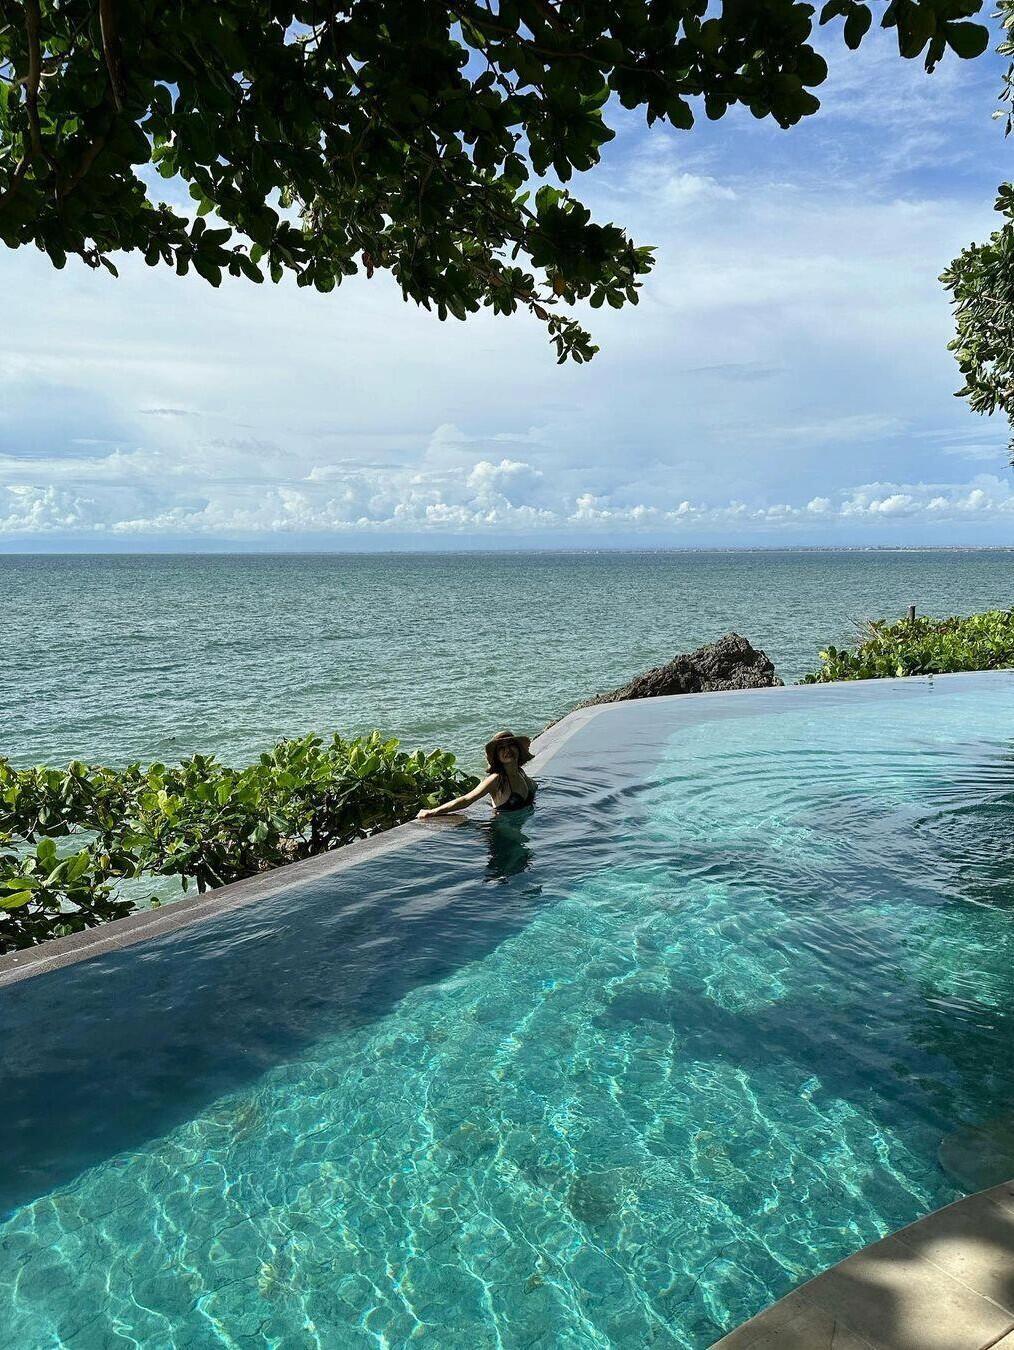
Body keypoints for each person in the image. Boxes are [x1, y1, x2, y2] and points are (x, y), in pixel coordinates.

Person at [416, 730, 536, 819]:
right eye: (502, 748)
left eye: (511, 745)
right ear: (497, 756)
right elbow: (467, 799)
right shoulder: (495, 780)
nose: (507, 750)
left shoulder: (521, 772)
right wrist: (432, 812)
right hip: (502, 836)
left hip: (522, 828)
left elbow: (534, 786)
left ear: (518, 749)